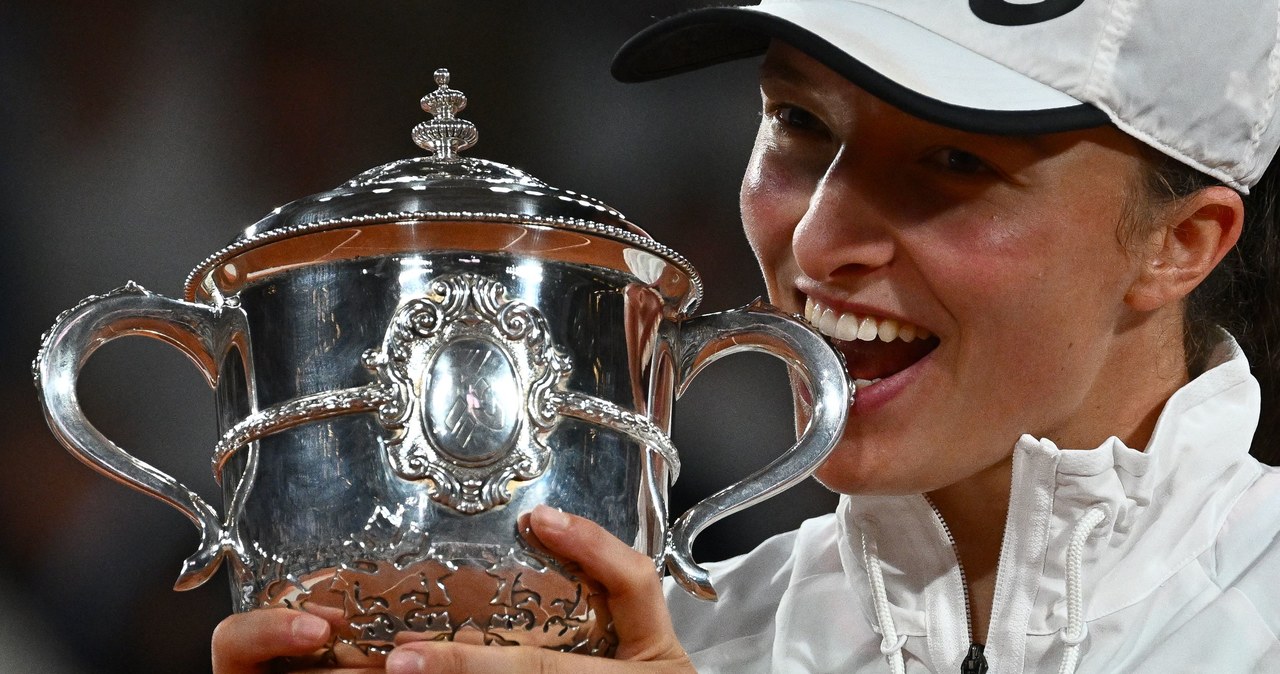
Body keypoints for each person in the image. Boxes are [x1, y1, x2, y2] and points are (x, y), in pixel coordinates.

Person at [212, 1, 1280, 672]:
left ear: (1177, 243)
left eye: (952, 164)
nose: (819, 238)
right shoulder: (662, 645)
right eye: (800, 126)